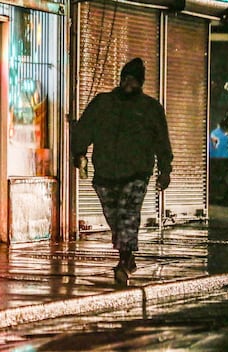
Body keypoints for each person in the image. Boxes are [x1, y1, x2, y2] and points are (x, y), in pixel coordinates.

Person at [72, 58, 173, 285]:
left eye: (134, 80)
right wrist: (79, 154)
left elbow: (162, 142)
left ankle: (124, 262)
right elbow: (84, 128)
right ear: (121, 79)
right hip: (105, 173)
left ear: (140, 83)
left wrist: (165, 170)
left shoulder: (150, 109)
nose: (130, 83)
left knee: (127, 215)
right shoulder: (103, 103)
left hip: (137, 172)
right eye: (126, 78)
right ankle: (128, 259)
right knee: (115, 218)